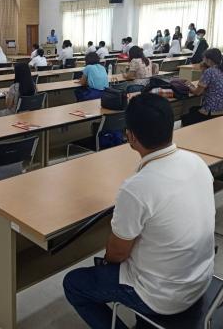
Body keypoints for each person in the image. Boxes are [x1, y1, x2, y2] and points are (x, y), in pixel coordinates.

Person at [64, 93, 215, 329]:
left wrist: (106, 266)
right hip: (200, 281)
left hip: (162, 296)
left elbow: (117, 254)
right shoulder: (196, 162)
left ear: (131, 136)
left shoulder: (137, 188)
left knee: (74, 284)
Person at [182, 48, 223, 126]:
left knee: (185, 117)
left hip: (210, 111)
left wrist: (189, 85)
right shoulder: (220, 69)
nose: (203, 60)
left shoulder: (210, 71)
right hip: (221, 110)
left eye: (204, 58)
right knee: (193, 109)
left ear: (209, 60)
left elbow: (197, 92)